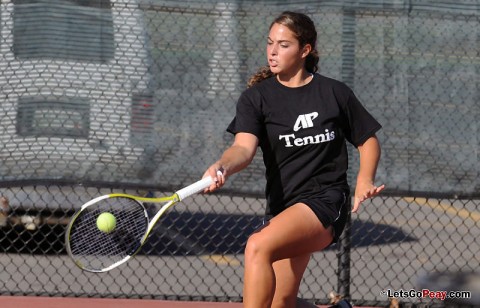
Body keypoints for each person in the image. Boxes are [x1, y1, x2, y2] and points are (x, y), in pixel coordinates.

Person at [203, 11, 385, 308]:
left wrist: (365, 179)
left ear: (305, 50)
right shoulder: (256, 98)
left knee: (257, 246)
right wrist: (223, 165)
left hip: (326, 200)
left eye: (283, 45)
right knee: (281, 301)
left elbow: (367, 139)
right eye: (270, 43)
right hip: (283, 208)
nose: (272, 51)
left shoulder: (334, 93)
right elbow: (243, 149)